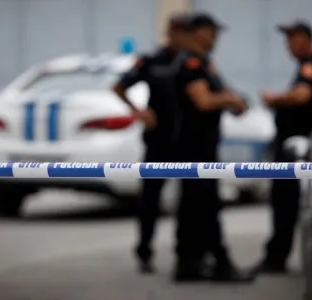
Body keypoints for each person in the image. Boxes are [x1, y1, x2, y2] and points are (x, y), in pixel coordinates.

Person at [172, 13, 253, 282]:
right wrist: (229, 99)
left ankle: (189, 263)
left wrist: (234, 101)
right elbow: (204, 101)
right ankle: (219, 264)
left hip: (203, 146)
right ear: (198, 32)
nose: (215, 37)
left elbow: (222, 96)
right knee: (205, 207)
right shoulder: (191, 63)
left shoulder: (206, 64)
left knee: (195, 207)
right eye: (212, 31)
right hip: (194, 148)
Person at [252, 21, 312, 274]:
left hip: (297, 151)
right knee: (284, 202)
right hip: (294, 149)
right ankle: (276, 256)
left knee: (286, 203)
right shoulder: (306, 66)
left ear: (305, 39)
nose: (288, 45)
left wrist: (274, 99)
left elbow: (302, 96)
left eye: (292, 39)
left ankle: (276, 258)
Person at [112, 13, 190, 274]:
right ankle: (144, 251)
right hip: (157, 142)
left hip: (186, 141)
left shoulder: (192, 63)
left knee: (190, 201)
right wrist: (138, 111)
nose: (178, 36)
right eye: (175, 31)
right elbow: (119, 86)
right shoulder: (151, 61)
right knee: (149, 201)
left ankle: (186, 255)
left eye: (183, 31)